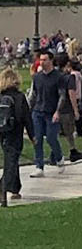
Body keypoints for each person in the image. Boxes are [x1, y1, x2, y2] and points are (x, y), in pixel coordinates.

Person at [27, 52, 67, 177]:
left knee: (51, 138)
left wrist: (57, 111)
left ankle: (59, 157)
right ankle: (39, 166)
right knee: (37, 139)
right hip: (38, 111)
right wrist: (28, 110)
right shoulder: (37, 77)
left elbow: (62, 95)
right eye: (41, 60)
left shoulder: (58, 77)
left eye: (44, 60)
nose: (42, 62)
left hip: (51, 112)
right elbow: (34, 95)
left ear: (51, 61)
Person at [0, 68, 31, 207]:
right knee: (11, 161)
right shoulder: (19, 97)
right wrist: (33, 135)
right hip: (15, 132)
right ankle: (3, 187)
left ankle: (15, 188)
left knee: (11, 159)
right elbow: (26, 117)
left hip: (2, 132)